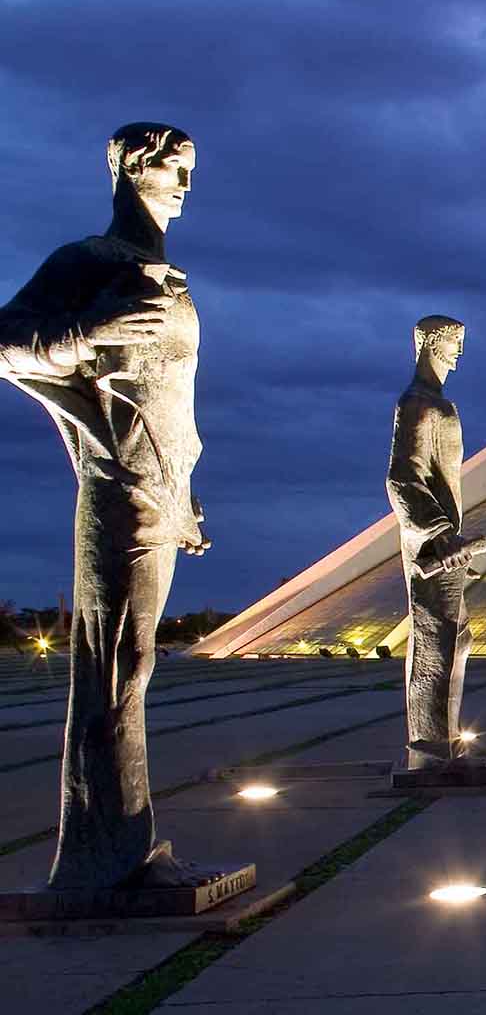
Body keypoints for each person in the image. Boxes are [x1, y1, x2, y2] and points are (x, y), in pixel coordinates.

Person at [0, 123, 211, 889]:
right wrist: (89, 333)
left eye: (189, 168)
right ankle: (106, 860)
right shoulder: (87, 263)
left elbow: (168, 406)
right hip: (119, 490)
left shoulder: (167, 274)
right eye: (170, 166)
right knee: (113, 667)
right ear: (128, 166)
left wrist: (185, 496)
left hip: (161, 490)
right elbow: (5, 343)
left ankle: (129, 849)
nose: (184, 182)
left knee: (136, 665)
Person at [387, 315, 485, 770]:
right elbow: (402, 478)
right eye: (452, 342)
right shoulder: (418, 405)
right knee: (435, 638)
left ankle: (442, 740)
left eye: (462, 343)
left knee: (456, 637)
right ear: (427, 343)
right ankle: (430, 746)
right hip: (433, 547)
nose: (459, 352)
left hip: (449, 546)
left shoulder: (439, 404)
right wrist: (439, 534)